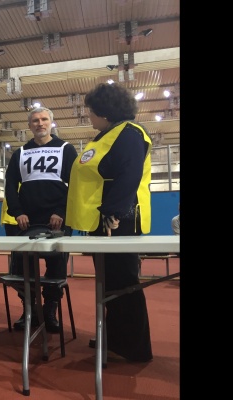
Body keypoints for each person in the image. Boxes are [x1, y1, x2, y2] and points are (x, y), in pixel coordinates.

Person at [65, 82, 154, 362]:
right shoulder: (107, 135)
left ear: (105, 112)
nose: (89, 116)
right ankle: (115, 337)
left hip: (117, 221)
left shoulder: (129, 134)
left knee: (124, 284)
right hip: (102, 221)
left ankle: (135, 347)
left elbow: (129, 175)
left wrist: (112, 212)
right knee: (110, 284)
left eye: (91, 111)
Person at [4, 107, 78, 333]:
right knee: (23, 267)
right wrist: (17, 212)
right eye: (35, 120)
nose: (40, 123)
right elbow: (10, 185)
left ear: (51, 123)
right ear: (29, 125)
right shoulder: (20, 152)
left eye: (44, 119)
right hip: (26, 220)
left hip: (57, 219)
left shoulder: (66, 149)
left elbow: (75, 184)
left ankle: (50, 310)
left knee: (56, 266)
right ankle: (30, 309)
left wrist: (61, 211)